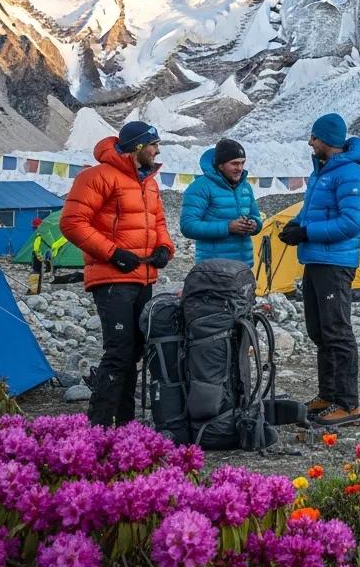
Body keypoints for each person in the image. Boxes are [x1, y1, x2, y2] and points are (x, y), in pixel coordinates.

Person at [60, 121, 174, 426]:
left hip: (143, 277)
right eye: (153, 144)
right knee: (119, 351)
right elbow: (72, 222)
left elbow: (158, 222)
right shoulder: (97, 177)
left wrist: (164, 247)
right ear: (137, 147)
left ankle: (124, 425)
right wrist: (112, 253)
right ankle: (98, 425)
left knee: (135, 351)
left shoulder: (148, 181)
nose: (157, 150)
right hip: (112, 278)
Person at [279, 114, 360, 427]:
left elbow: (351, 223)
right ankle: (328, 394)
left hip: (335, 263)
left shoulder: (350, 174)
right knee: (319, 330)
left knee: (337, 331)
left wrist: (307, 233)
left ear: (327, 141)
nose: (310, 142)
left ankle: (348, 403)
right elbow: (311, 212)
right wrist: (297, 225)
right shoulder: (322, 172)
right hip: (317, 259)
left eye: (314, 138)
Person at [180, 138, 261, 265]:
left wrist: (254, 225)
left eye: (242, 163)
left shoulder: (245, 187)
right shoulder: (200, 187)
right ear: (220, 165)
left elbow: (256, 217)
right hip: (213, 268)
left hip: (243, 266)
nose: (239, 168)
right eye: (234, 163)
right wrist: (227, 227)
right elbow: (188, 226)